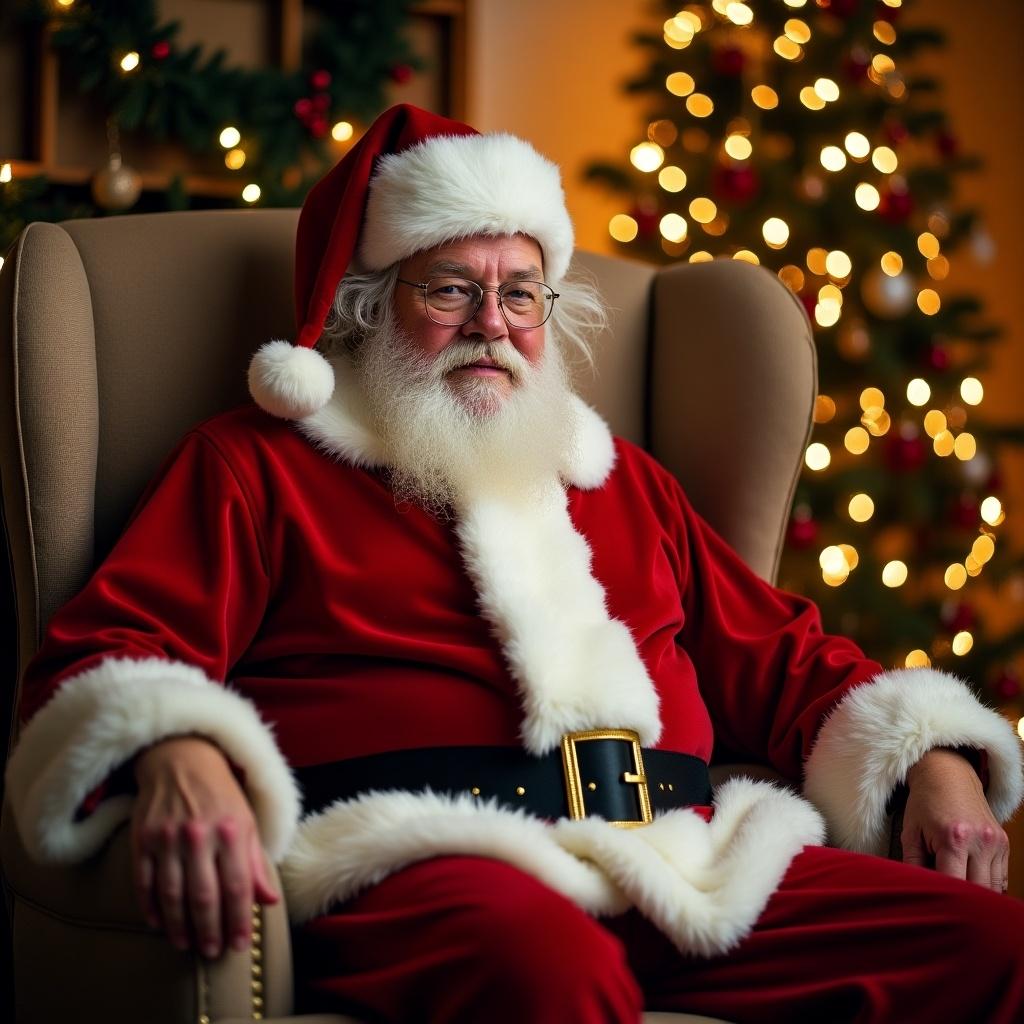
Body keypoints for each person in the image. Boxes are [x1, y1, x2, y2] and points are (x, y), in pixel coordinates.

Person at [6, 104, 1024, 1023]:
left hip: (679, 859)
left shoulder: (620, 479)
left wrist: (930, 755)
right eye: (450, 287)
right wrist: (177, 748)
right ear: (368, 304)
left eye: (520, 293)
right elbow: (114, 648)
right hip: (424, 858)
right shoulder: (257, 464)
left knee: (991, 946)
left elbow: (786, 661)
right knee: (548, 971)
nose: (491, 322)